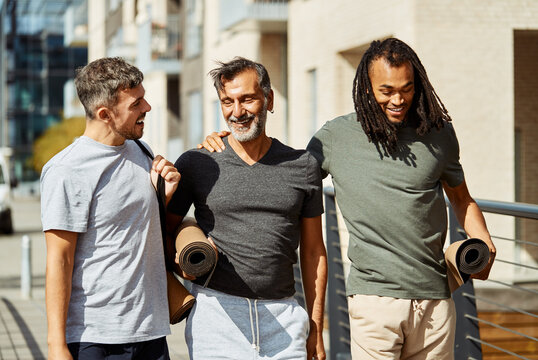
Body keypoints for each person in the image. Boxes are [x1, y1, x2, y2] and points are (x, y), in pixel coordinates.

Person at [200, 38, 497, 359]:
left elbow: (462, 200)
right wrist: (230, 144)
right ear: (367, 88)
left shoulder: (438, 134)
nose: (398, 99)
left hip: (436, 299)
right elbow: (285, 171)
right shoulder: (336, 137)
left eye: (407, 89)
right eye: (386, 91)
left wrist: (483, 238)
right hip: (373, 301)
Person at [166, 57, 328, 360]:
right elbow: (162, 232)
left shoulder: (304, 166)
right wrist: (184, 266)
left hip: (284, 316)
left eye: (247, 99)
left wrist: (315, 327)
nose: (237, 112)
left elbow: (313, 252)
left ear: (268, 99)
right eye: (227, 101)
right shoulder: (197, 163)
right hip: (216, 317)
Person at [41, 57, 181, 360]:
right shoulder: (67, 170)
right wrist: (56, 345)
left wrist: (163, 197)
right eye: (136, 103)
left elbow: (131, 227)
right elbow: (59, 261)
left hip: (151, 332)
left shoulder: (142, 152)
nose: (147, 108)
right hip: (95, 338)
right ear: (105, 114)